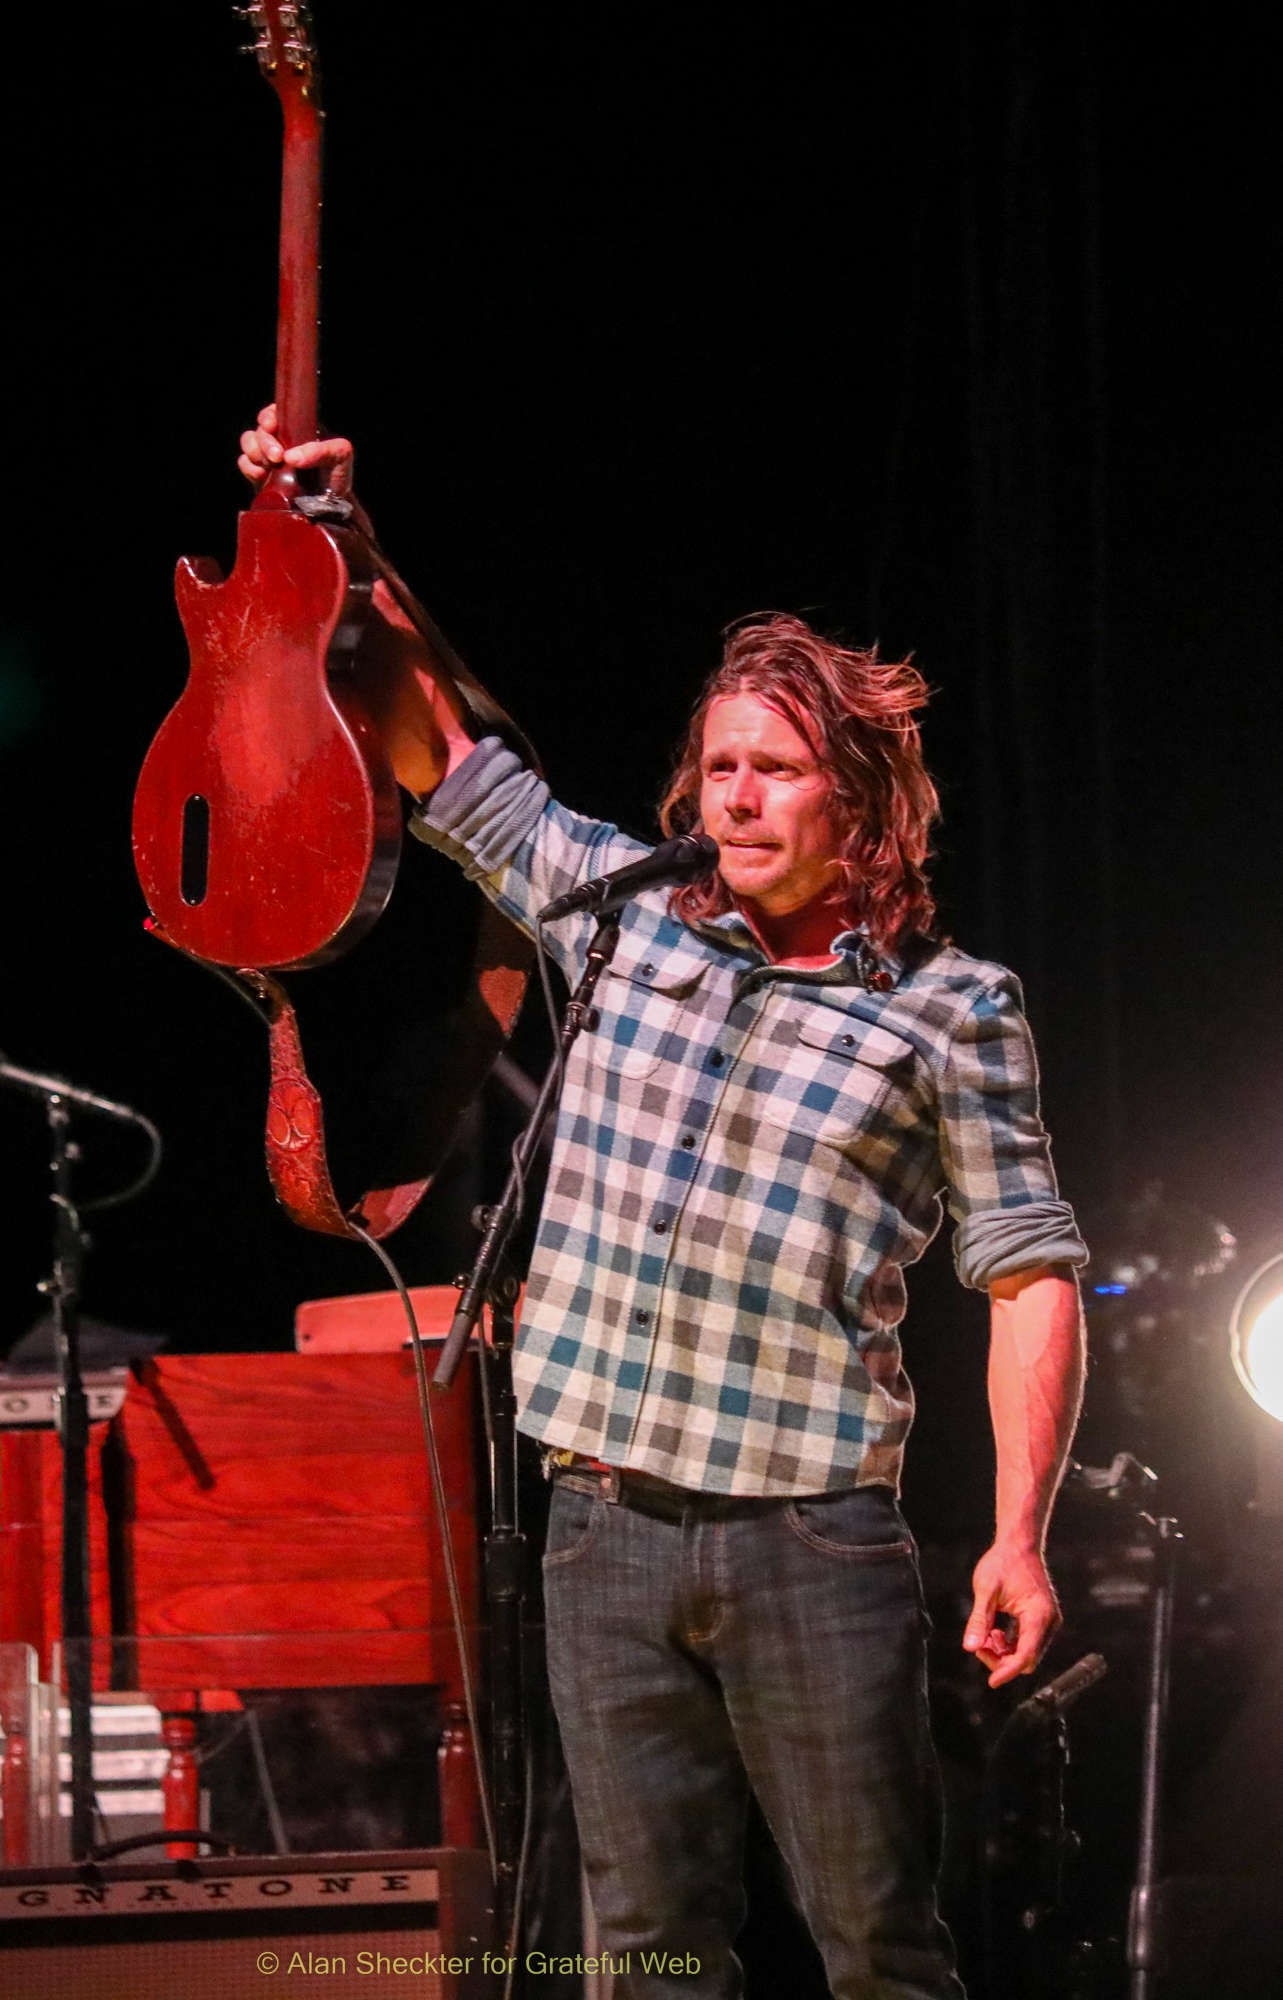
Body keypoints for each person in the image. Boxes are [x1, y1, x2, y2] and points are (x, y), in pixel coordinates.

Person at [239, 411, 1088, 2000]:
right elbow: (438, 748)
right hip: (602, 1530)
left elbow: (1028, 1273)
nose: (739, 801)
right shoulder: (626, 923)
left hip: (809, 1542)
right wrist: (330, 542)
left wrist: (1021, 1536)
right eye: (719, 769)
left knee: (878, 1952)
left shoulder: (949, 1008)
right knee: (646, 1957)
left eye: (776, 772)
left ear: (862, 805)